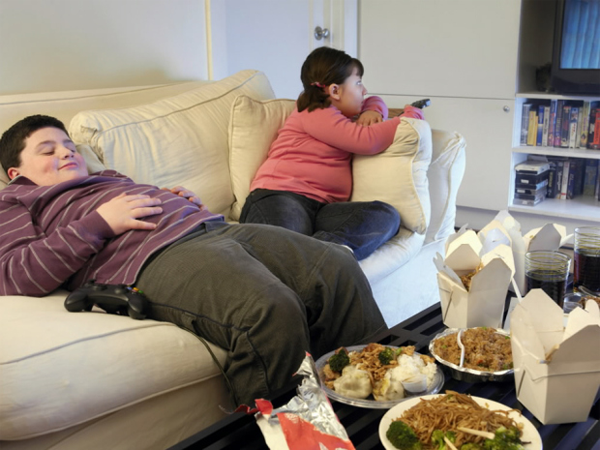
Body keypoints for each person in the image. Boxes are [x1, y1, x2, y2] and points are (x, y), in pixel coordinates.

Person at [0, 114, 387, 406]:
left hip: (216, 228)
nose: (66, 152)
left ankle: (379, 407)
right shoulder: (16, 200)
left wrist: (170, 198)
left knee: (337, 267)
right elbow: (15, 273)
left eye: (68, 146)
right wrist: (100, 222)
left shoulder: (108, 178)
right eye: (48, 150)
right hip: (155, 257)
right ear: (17, 173)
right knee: (270, 309)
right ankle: (285, 437)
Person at [240, 47, 425, 260]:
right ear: (335, 91)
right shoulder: (313, 111)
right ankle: (316, 263)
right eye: (357, 83)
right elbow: (366, 140)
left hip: (322, 209)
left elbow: (373, 100)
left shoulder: (340, 114)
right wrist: (408, 121)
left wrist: (372, 110)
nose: (364, 89)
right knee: (286, 250)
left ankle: (326, 254)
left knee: (386, 216)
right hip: (280, 196)